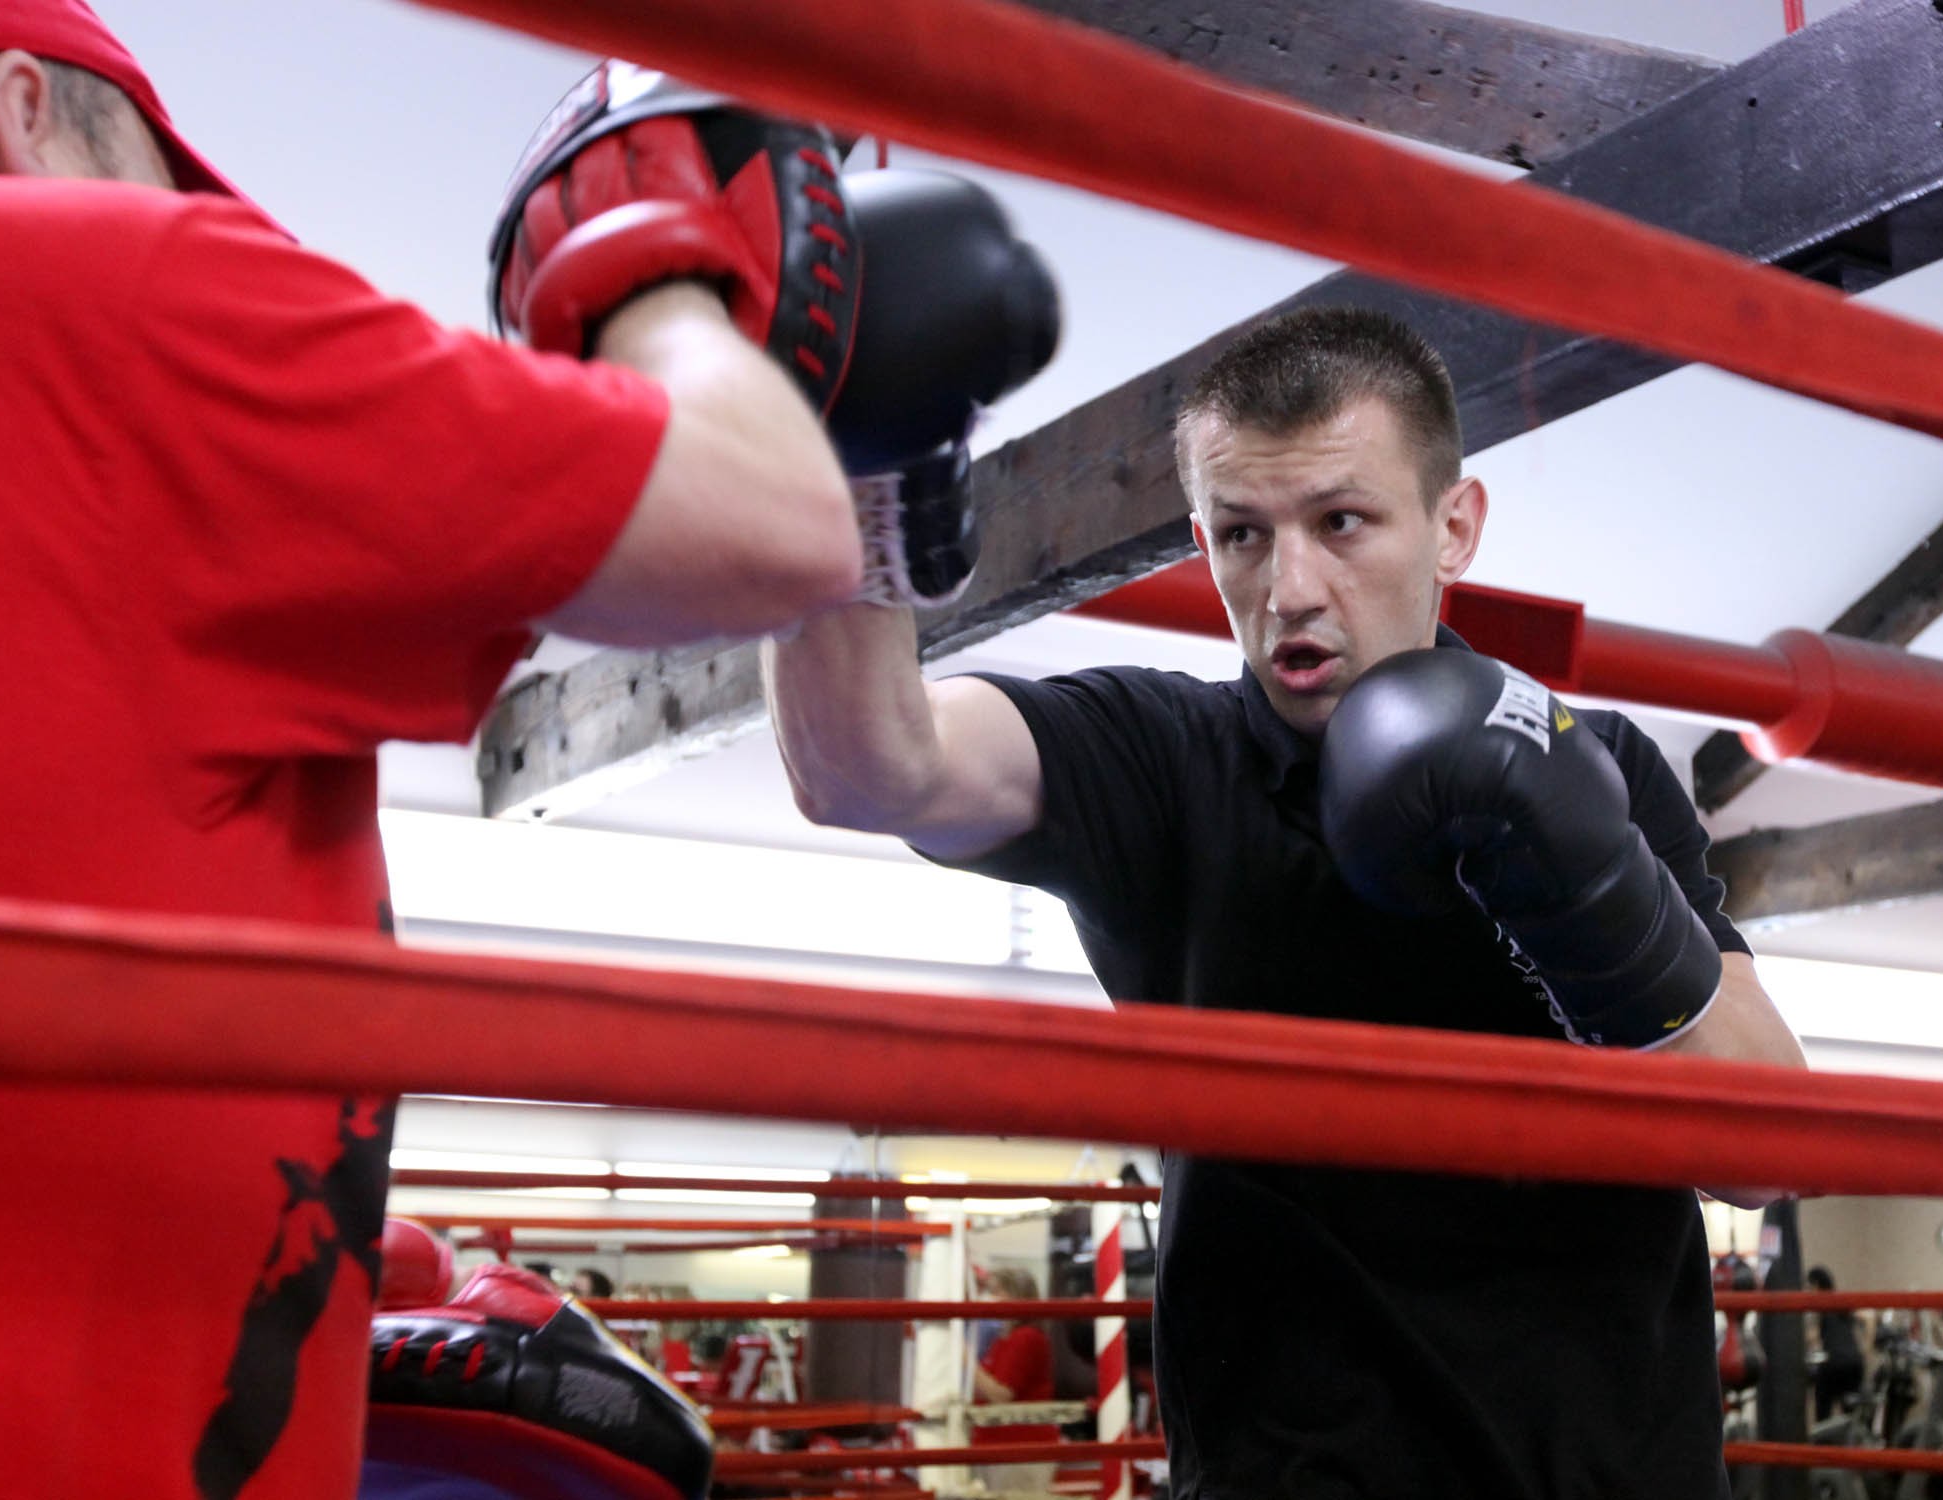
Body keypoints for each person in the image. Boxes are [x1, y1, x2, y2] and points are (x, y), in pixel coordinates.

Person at [0, 6, 870, 1498]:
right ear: (21, 114)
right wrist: (657, 264)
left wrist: (380, 1271)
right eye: (161, 184)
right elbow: (760, 522)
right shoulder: (75, 292)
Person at [765, 305, 1809, 1497]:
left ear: (1454, 527)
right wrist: (852, 477)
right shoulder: (1160, 763)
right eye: (1242, 535)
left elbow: (1766, 1148)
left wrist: (1590, 894)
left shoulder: (1598, 763)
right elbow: (866, 766)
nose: (1289, 589)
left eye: (1342, 522)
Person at [971, 1266, 1060, 1497]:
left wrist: (963, 1358)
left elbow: (1001, 1394)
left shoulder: (1026, 1338)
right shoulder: (1005, 1339)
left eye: (998, 1292)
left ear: (1017, 1296)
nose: (992, 1299)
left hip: (1019, 1449)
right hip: (1001, 1448)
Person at [1806, 1266, 1868, 1421]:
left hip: (1836, 1363)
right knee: (1850, 1414)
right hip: (1854, 1363)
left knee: (1822, 1411)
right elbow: (1868, 1317)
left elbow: (1814, 1335)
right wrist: (1865, 1348)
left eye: (1810, 1288)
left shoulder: (1824, 1305)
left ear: (1816, 1285)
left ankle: (1822, 1442)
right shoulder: (1840, 1302)